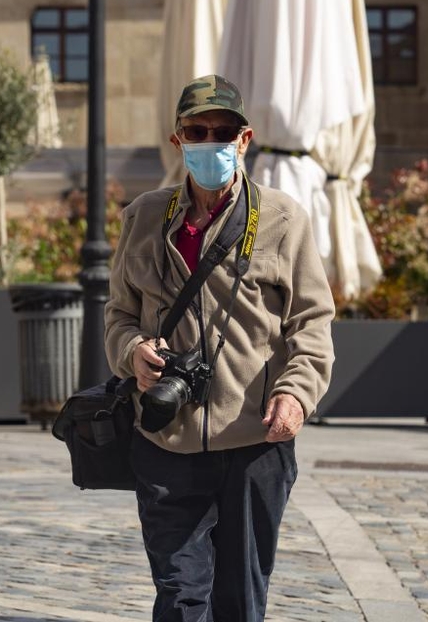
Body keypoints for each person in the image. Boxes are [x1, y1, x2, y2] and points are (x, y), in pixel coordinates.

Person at [104, 74, 335, 621]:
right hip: (166, 440)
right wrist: (133, 351)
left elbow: (312, 322)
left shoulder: (282, 221)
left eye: (224, 132)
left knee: (239, 603)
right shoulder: (142, 218)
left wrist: (297, 394)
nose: (212, 141)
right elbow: (117, 316)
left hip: (255, 445)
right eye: (198, 130)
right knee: (182, 598)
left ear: (245, 139)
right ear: (177, 139)